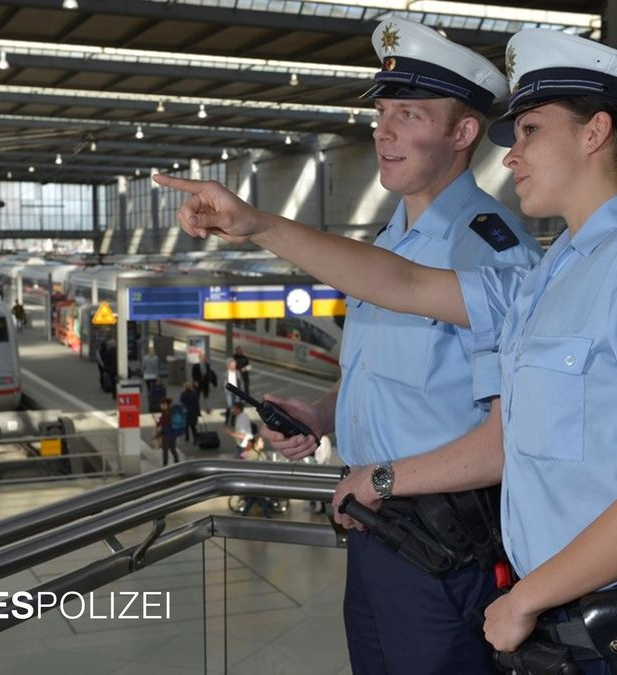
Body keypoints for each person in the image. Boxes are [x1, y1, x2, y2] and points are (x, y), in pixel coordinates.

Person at [157, 26, 617, 675]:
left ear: (594, 132)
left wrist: (522, 599)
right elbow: (402, 282)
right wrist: (257, 225)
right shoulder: (547, 277)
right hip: (564, 627)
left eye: (528, 130)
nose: (511, 155)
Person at [160, 17, 542, 675]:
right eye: (382, 112)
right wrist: (322, 413)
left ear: (463, 133)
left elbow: (511, 427)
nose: (383, 131)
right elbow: (398, 376)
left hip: (445, 547)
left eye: (409, 114)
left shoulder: (489, 249)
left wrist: (253, 224)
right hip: (374, 530)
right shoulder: (388, 243)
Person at [154, 398, 181, 466]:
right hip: (173, 433)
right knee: (172, 448)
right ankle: (177, 461)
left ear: (166, 405)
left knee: (165, 449)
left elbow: (165, 424)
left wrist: (160, 431)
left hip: (167, 434)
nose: (161, 406)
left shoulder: (166, 413)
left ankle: (165, 463)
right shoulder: (170, 412)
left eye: (162, 404)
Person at [223, 359, 240, 424]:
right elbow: (223, 382)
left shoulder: (238, 372)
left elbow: (240, 382)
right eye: (233, 365)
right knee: (229, 406)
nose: (234, 366)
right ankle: (227, 420)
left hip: (236, 391)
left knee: (236, 406)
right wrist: (225, 390)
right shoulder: (226, 373)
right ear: (229, 366)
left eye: (235, 365)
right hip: (229, 392)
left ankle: (233, 421)